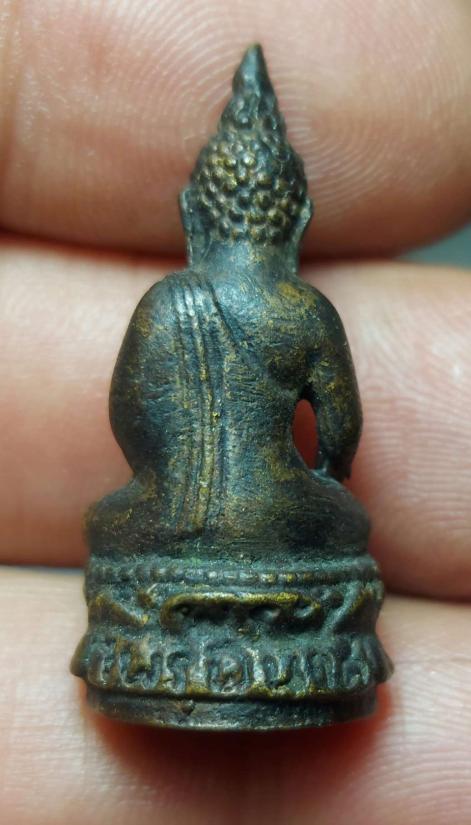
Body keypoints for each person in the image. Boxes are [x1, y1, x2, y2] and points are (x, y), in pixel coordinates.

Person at [0, 0, 470, 822]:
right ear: (298, 218)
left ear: (194, 215)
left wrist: (172, 482)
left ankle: (151, 638)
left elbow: (130, 420)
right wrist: (316, 481)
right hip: (285, 513)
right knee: (343, 520)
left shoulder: (163, 303)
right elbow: (340, 438)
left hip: (164, 524)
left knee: (115, 516)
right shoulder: (307, 311)